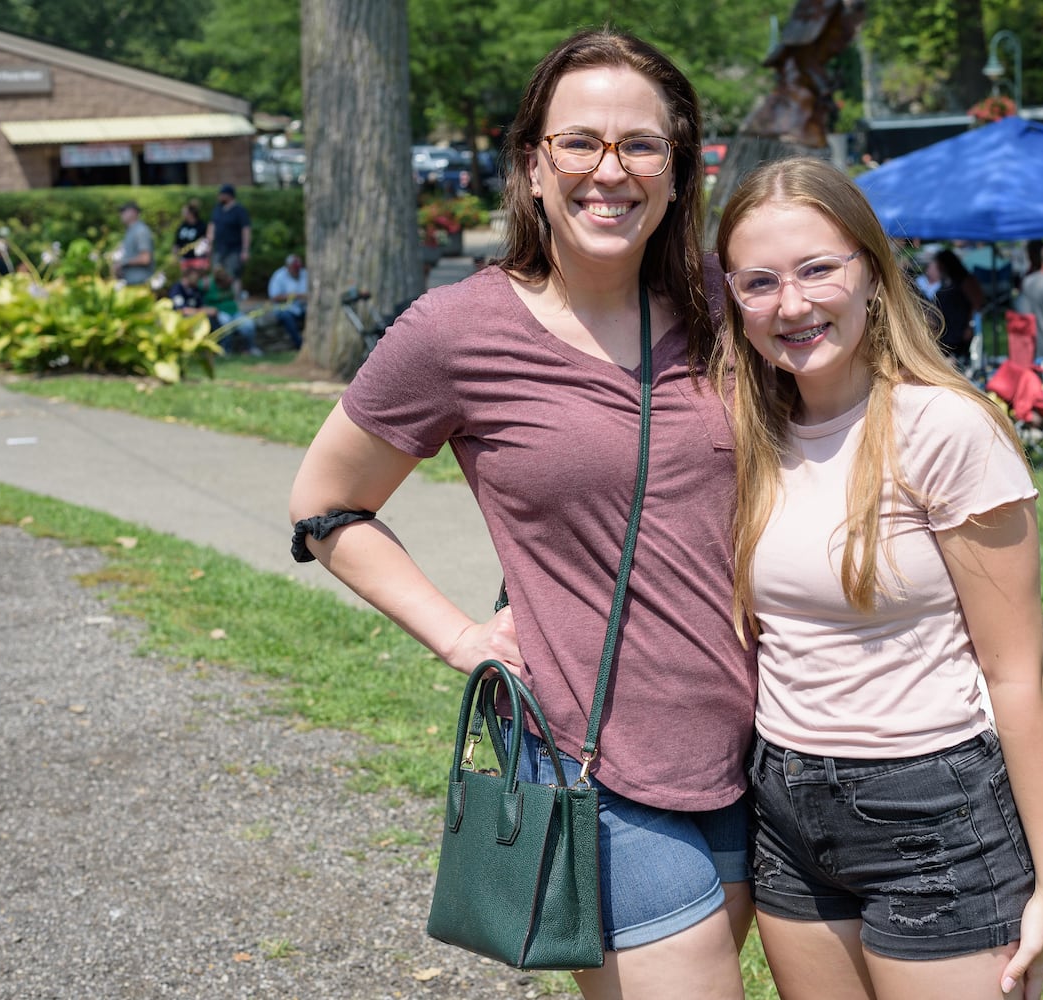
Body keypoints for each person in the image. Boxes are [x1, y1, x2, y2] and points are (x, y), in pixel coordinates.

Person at [289, 30, 754, 999]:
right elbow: (325, 506)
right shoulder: (459, 331)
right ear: (533, 166)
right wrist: (461, 635)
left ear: (676, 169)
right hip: (597, 768)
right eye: (578, 142)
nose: (608, 170)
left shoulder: (724, 304)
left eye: (640, 145)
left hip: (760, 756)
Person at [714, 156, 1043, 1000]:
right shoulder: (745, 433)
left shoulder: (945, 428)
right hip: (785, 803)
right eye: (759, 281)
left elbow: (1016, 672)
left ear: (870, 273)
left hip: (932, 807)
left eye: (817, 269)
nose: (792, 304)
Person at [930, 247, 985, 367]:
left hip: (961, 328)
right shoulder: (946, 280)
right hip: (947, 329)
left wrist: (970, 326)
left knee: (961, 362)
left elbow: (977, 303)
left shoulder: (964, 279)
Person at [200, 267, 260, 355]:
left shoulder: (229, 281)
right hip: (219, 312)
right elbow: (194, 285)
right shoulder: (207, 283)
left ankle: (250, 347)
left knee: (248, 324)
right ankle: (226, 351)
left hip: (235, 312)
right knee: (226, 324)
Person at [206, 183, 251, 279]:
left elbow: (246, 230)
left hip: (234, 250)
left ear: (229, 195)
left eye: (221, 194)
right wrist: (209, 244)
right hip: (218, 249)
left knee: (232, 276)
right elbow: (211, 227)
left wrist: (245, 250)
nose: (219, 197)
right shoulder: (217, 209)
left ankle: (235, 294)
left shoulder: (239, 210)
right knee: (216, 275)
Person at [266, 253, 308, 348]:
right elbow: (274, 296)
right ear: (288, 267)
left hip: (304, 307)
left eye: (298, 268)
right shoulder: (279, 276)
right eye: (294, 268)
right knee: (286, 316)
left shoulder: (305, 274)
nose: (297, 271)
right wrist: (295, 296)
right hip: (286, 309)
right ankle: (299, 345)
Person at [116, 200, 155, 288]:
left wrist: (123, 262)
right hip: (130, 283)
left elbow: (145, 258)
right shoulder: (130, 231)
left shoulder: (141, 231)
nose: (121, 214)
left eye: (123, 211)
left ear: (133, 212)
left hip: (140, 283)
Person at [172, 198, 209, 274]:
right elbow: (177, 243)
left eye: (185, 212)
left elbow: (205, 245)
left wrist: (205, 260)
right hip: (185, 259)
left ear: (191, 213)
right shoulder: (182, 226)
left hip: (197, 260)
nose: (183, 214)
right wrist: (174, 257)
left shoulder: (201, 226)